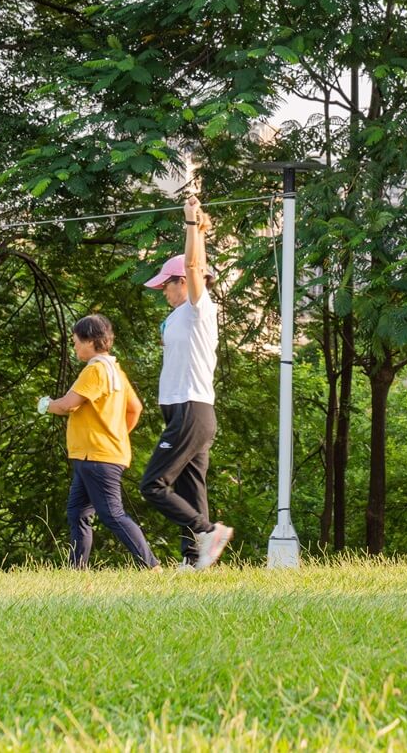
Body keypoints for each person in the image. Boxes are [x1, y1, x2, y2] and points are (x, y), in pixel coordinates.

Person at [141, 193, 234, 570]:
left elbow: (196, 266)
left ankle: (207, 530)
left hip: (191, 410)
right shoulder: (179, 315)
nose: (163, 290)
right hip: (188, 411)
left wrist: (192, 224)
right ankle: (193, 559)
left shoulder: (199, 308)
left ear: (184, 282)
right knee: (190, 486)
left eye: (167, 284)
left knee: (153, 485)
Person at [39, 314, 159, 569]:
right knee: (78, 512)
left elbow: (67, 406)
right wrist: (116, 435)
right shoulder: (115, 370)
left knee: (112, 514)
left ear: (90, 340)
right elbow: (135, 409)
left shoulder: (94, 370)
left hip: (95, 456)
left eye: (75, 342)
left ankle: (152, 566)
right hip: (96, 455)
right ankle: (76, 569)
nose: (74, 347)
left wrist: (45, 405)